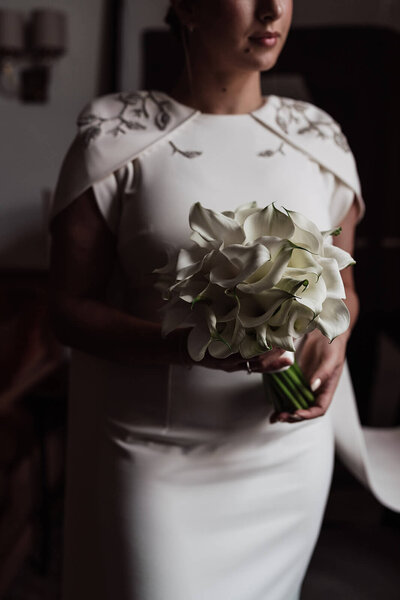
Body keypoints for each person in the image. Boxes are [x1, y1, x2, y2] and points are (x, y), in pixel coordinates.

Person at [49, 1, 400, 599]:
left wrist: (334, 342)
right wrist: (183, 348)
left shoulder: (320, 138)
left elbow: (344, 290)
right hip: (153, 452)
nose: (271, 10)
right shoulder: (115, 133)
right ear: (186, 5)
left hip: (283, 459)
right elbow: (67, 309)